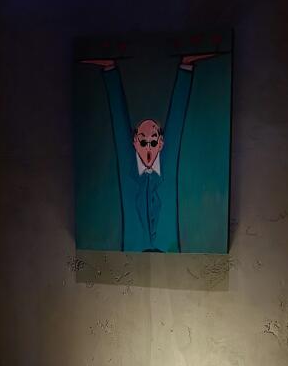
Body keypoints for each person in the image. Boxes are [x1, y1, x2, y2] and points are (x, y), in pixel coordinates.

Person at [81, 53, 215, 252]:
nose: (149, 148)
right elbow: (119, 123)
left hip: (169, 251)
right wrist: (110, 70)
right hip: (133, 250)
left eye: (153, 142)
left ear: (161, 144)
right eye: (143, 142)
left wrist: (185, 68)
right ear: (135, 143)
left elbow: (176, 121)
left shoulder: (167, 165)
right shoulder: (129, 167)